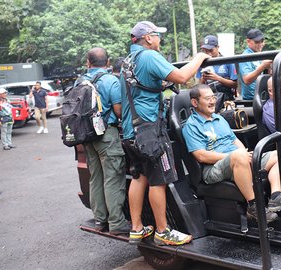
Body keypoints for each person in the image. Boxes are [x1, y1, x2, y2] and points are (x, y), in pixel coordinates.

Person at [121, 21, 211, 246]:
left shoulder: (128, 60)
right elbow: (181, 77)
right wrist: (199, 58)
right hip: (151, 131)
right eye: (157, 36)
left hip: (131, 130)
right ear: (148, 38)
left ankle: (136, 227)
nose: (160, 40)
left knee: (139, 177)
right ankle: (163, 231)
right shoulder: (149, 56)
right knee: (159, 180)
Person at [183, 84, 281, 223]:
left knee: (277, 154)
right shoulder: (191, 126)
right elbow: (201, 156)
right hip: (213, 168)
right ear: (195, 102)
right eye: (208, 99)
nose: (213, 101)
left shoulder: (219, 119)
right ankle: (253, 206)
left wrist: (245, 155)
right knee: (239, 156)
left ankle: (276, 198)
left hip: (236, 159)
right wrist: (235, 157)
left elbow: (235, 141)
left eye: (213, 97)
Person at [80, 47, 128, 234]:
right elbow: (118, 111)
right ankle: (116, 223)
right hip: (106, 135)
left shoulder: (80, 80)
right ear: (107, 63)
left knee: (96, 178)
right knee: (113, 177)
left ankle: (100, 220)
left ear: (88, 63)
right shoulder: (110, 80)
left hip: (87, 136)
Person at [197, 35, 238, 101]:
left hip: (227, 99)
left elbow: (235, 85)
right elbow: (199, 87)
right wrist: (203, 79)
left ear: (218, 47)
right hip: (208, 100)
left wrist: (218, 78)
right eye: (205, 51)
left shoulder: (227, 62)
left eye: (211, 50)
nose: (208, 53)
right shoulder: (201, 64)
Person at [238, 29, 272, 100]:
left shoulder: (259, 54)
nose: (260, 45)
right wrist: (262, 66)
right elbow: (246, 80)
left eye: (262, 41)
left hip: (262, 96)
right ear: (248, 41)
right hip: (251, 100)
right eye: (257, 42)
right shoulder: (245, 56)